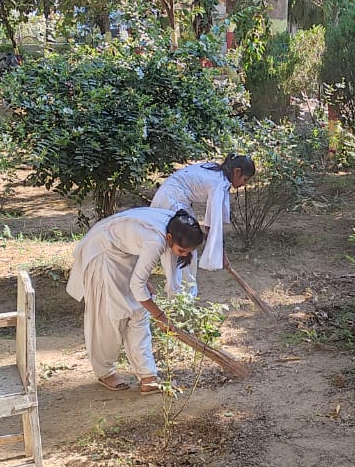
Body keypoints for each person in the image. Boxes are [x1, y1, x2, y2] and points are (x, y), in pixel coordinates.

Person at [66, 208, 206, 394]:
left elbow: (137, 254)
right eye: (181, 250)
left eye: (188, 252)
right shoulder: (156, 240)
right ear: (169, 238)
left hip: (124, 255)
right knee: (109, 317)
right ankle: (105, 372)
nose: (184, 255)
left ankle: (148, 376)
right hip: (102, 253)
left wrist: (143, 281)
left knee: (140, 312)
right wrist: (160, 316)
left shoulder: (174, 225)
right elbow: (137, 284)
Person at [149, 154, 256, 297]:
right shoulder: (219, 184)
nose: (244, 184)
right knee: (180, 249)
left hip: (175, 200)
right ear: (237, 172)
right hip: (170, 202)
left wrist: (215, 247)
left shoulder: (217, 174)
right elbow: (213, 225)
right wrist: (220, 253)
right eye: (245, 179)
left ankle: (185, 295)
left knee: (188, 249)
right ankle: (178, 296)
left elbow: (211, 226)